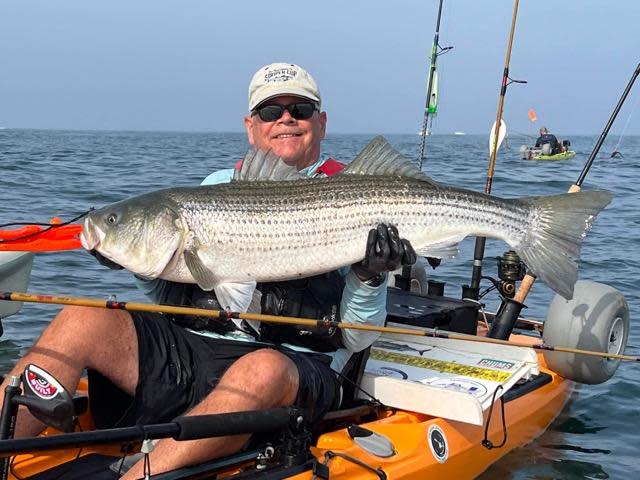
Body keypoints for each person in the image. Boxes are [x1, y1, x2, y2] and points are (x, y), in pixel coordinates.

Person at [0, 62, 416, 478]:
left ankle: (138, 474)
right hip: (194, 355)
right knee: (82, 318)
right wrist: (139, 265)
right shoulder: (214, 186)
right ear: (251, 126)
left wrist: (370, 276)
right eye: (271, 112)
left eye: (300, 110)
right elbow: (173, 297)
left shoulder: (363, 199)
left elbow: (359, 338)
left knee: (263, 367)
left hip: (293, 369)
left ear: (321, 123)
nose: (286, 119)